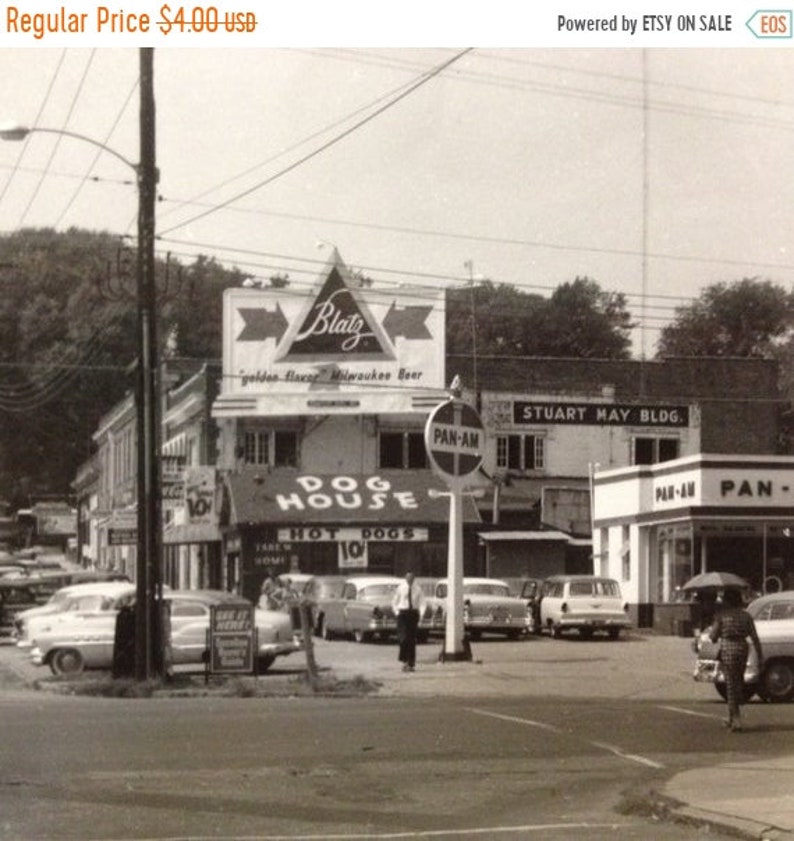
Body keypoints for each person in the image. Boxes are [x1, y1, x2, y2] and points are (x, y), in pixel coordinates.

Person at [709, 587, 763, 732]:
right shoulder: (746, 616)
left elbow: (713, 637)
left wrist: (714, 628)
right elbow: (754, 637)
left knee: (730, 684)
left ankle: (736, 719)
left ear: (727, 601)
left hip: (728, 648)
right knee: (737, 681)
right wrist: (760, 655)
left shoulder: (721, 616)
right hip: (742, 647)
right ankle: (732, 717)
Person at [392, 571, 426, 672]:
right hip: (403, 614)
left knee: (411, 639)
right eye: (408, 577)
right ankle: (404, 660)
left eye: (411, 577)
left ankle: (410, 664)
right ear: (405, 578)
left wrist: (421, 614)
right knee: (403, 638)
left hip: (413, 614)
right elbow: (394, 601)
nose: (410, 579)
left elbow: (422, 603)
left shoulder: (418, 589)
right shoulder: (401, 588)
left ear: (414, 578)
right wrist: (397, 612)